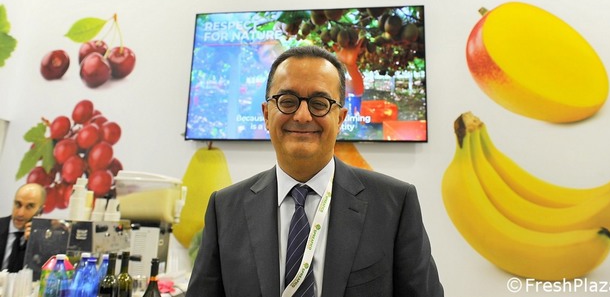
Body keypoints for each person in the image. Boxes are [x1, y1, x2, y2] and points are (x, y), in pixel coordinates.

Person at [186, 45, 444, 297]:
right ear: (266, 114)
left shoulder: (394, 205)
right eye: (287, 101)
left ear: (340, 118)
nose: (302, 116)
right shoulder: (225, 209)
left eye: (319, 104)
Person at [1, 183, 46, 272]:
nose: (20, 213)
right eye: (18, 204)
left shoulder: (45, 239)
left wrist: (32, 244)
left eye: (29, 206)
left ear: (41, 211)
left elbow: (39, 274)